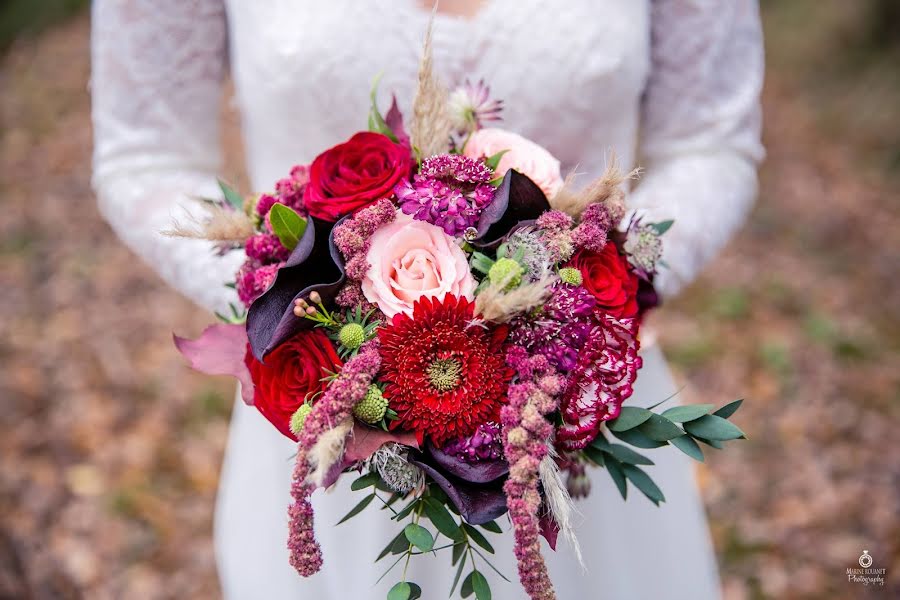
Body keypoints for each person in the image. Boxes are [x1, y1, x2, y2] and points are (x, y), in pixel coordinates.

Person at [91, 1, 764, 598]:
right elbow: (144, 157)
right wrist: (296, 309)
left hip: (578, 410)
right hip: (323, 424)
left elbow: (710, 142)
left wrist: (589, 298)